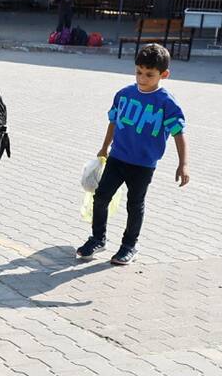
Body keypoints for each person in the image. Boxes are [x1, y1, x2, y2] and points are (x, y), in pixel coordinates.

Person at [76, 43, 189, 265]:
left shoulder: (166, 103)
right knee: (101, 197)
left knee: (135, 205)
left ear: (163, 75)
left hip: (143, 165)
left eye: (149, 74)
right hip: (117, 158)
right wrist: (104, 147)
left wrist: (183, 164)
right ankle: (97, 238)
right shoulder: (123, 95)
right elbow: (113, 122)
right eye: (139, 72)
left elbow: (179, 133)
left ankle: (129, 246)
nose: (142, 78)